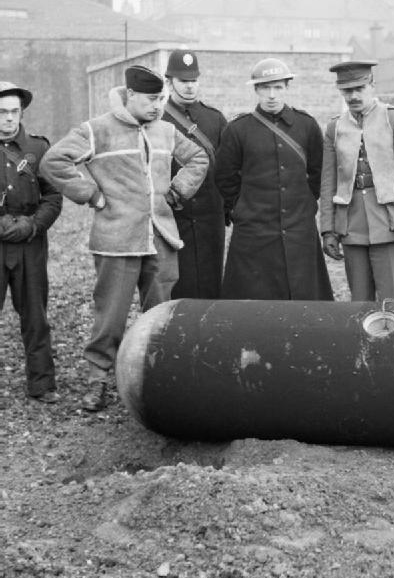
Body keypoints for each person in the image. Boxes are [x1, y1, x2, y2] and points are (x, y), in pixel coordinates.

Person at [41, 65, 208, 411]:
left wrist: (176, 193)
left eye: (160, 99)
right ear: (130, 95)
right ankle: (98, 383)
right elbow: (54, 161)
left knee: (161, 316)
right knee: (110, 318)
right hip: (116, 241)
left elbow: (198, 158)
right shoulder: (96, 130)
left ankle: (159, 381)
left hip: (160, 238)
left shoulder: (165, 130)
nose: (157, 106)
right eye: (150, 99)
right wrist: (91, 194)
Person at [215, 58, 332, 301]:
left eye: (277, 87)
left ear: (286, 88)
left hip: (299, 228)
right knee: (255, 302)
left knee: (303, 299)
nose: (271, 95)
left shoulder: (306, 125)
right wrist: (242, 206)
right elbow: (225, 177)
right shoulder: (238, 130)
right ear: (256, 90)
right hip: (254, 232)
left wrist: (304, 202)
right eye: (265, 88)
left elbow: (318, 172)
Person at [320, 61, 394, 302]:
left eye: (360, 88)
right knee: (360, 306)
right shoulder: (335, 127)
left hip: (390, 224)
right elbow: (328, 183)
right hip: (351, 226)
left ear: (372, 85)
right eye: (347, 91)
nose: (354, 96)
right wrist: (328, 229)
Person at [0, 82, 63, 403]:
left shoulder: (37, 149)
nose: (8, 119)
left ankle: (42, 383)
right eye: (2, 112)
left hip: (30, 245)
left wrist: (33, 225)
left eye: (13, 112)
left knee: (35, 316)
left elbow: (53, 196)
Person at [161, 49, 227, 299]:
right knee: (177, 285)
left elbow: (226, 168)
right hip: (173, 216)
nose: (189, 87)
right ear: (169, 82)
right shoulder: (159, 119)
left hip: (211, 216)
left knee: (211, 285)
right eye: (183, 81)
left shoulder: (215, 119)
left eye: (193, 80)